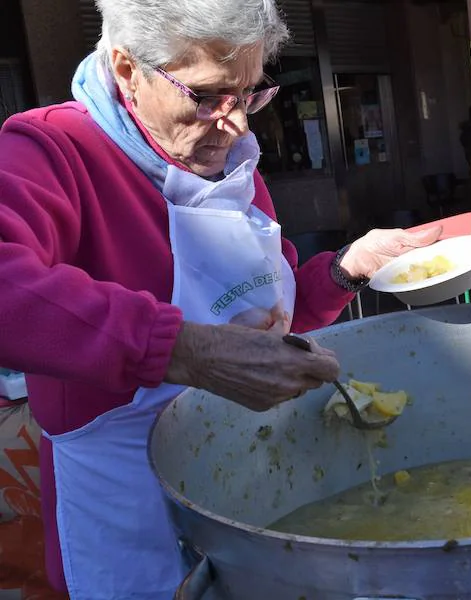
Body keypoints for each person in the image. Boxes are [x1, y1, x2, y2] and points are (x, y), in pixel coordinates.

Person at [0, 1, 440, 598]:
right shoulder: (52, 149)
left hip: (255, 481)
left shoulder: (230, 163)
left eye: (250, 93)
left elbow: (264, 322)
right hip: (130, 505)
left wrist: (345, 268)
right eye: (207, 96)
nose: (234, 124)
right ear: (129, 70)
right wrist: (183, 350)